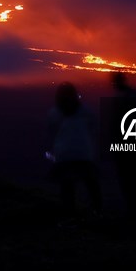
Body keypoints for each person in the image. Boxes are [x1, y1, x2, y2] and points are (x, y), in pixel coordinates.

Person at [47, 82, 102, 220]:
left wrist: (52, 154)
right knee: (91, 184)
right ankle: (98, 213)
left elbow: (51, 133)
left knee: (67, 187)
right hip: (84, 154)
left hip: (64, 155)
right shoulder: (86, 111)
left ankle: (69, 217)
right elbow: (93, 128)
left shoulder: (54, 113)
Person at [109, 72, 136, 224]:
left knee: (127, 177)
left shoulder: (121, 98)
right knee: (134, 177)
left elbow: (116, 123)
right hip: (135, 142)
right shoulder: (134, 95)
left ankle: (133, 212)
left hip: (125, 143)